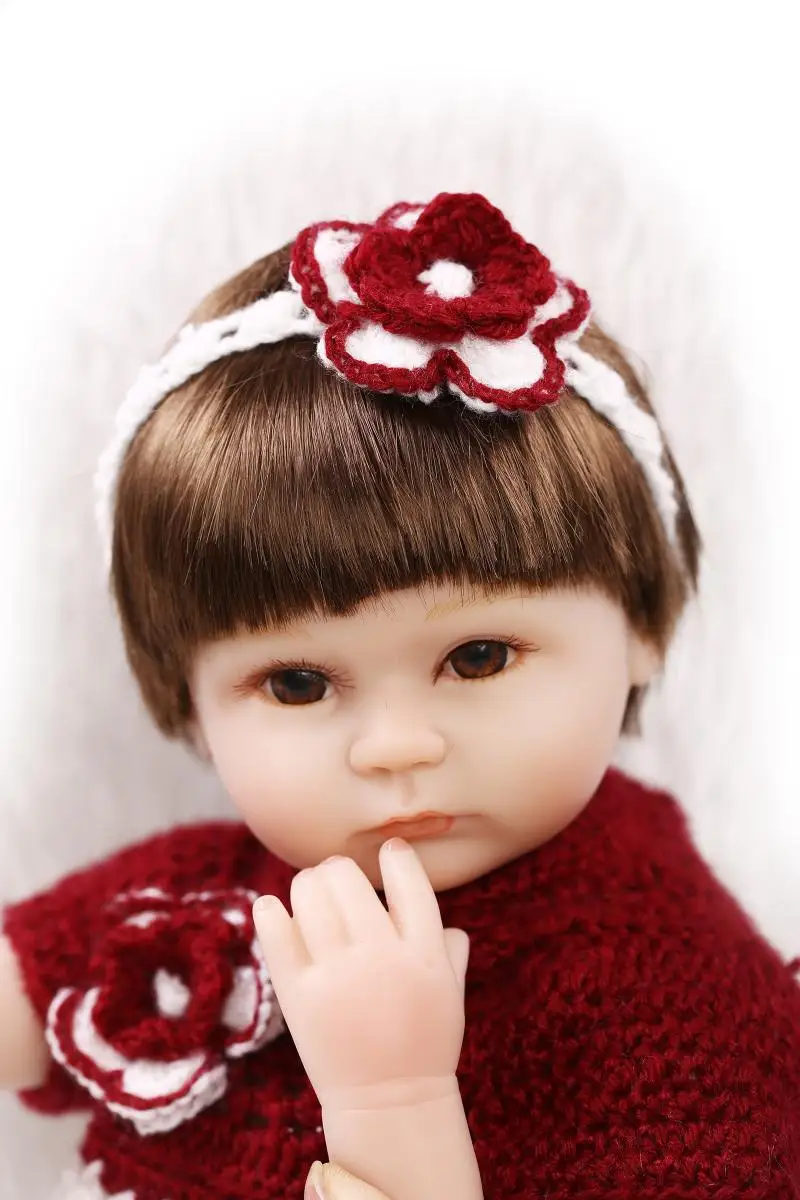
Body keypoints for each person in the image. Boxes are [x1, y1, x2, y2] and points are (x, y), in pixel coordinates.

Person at [1, 192, 798, 1200]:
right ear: (188, 702)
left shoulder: (675, 1006)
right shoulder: (214, 893)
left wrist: (393, 1099)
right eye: (296, 683)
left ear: (643, 623)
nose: (394, 746)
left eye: (478, 657)